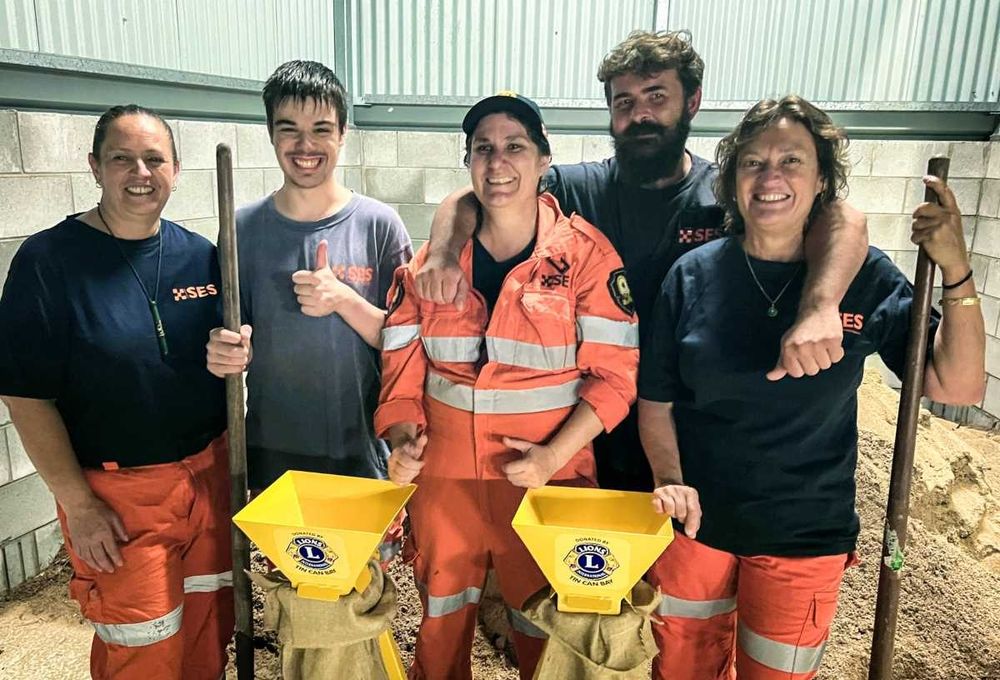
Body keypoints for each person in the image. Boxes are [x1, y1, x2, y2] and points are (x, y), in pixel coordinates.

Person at [414, 30, 868, 493]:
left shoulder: (728, 196)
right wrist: (445, 254)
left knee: (677, 554)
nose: (640, 114)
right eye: (624, 102)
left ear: (692, 101)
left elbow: (842, 217)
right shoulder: (580, 190)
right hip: (588, 423)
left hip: (686, 426)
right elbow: (474, 196)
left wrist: (820, 305)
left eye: (656, 96)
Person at [637, 95, 985, 680]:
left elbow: (959, 382)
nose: (771, 177)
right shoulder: (691, 275)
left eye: (792, 161)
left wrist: (955, 269)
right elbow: (656, 405)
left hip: (804, 537)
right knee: (679, 671)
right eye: (753, 162)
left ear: (822, 178)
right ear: (731, 179)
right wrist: (671, 482)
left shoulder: (866, 277)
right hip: (694, 532)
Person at [376, 92, 638, 680]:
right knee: (441, 619)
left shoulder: (587, 259)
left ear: (544, 160)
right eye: (483, 149)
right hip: (444, 481)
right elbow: (399, 363)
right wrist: (400, 440)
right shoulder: (432, 264)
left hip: (547, 480)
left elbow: (615, 379)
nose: (498, 163)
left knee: (544, 623)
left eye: (515, 147)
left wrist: (551, 456)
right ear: (468, 162)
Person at [0, 106, 233, 680]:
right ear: (94, 167)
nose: (140, 172)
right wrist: (79, 506)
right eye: (121, 158)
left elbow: (227, 352)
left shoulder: (200, 255)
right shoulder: (49, 262)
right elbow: (25, 396)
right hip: (119, 497)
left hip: (208, 477)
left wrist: (237, 355)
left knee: (209, 628)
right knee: (144, 645)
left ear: (176, 169)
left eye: (155, 159)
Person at [204, 60, 412, 492]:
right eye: (288, 129)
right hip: (275, 449)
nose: (305, 145)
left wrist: (343, 299)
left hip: (363, 450)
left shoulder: (379, 226)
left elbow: (407, 343)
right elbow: (227, 331)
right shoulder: (241, 228)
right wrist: (226, 351)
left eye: (321, 128)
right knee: (293, 561)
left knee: (366, 562)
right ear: (269, 133)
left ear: (342, 133)